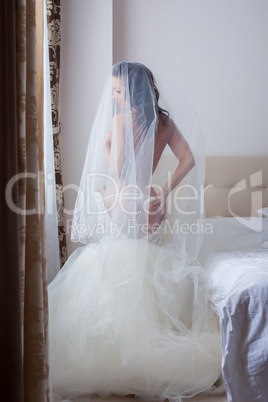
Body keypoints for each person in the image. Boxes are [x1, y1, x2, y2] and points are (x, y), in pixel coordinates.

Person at [48, 62, 222, 401]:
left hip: (123, 204)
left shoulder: (118, 122)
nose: (113, 97)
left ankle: (125, 346)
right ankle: (152, 335)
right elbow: (188, 160)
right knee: (144, 264)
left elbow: (117, 172)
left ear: (132, 91)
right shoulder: (166, 123)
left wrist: (109, 147)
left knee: (115, 267)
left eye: (118, 90)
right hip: (150, 206)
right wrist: (163, 193)